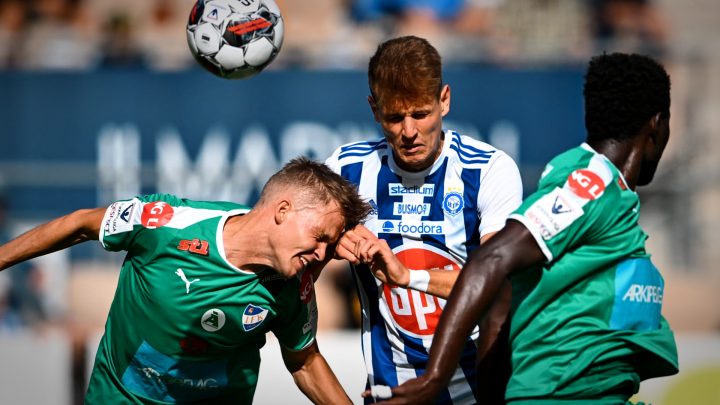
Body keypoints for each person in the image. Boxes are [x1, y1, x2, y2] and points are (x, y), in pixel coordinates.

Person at [369, 52, 679, 404]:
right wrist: (434, 378)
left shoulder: (612, 194)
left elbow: (502, 300)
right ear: (657, 124)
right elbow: (492, 259)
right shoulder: (590, 184)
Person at [0, 157, 371, 404]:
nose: (323, 254)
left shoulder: (294, 285)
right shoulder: (168, 223)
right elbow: (81, 224)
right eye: (320, 237)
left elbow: (304, 361)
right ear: (283, 211)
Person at [325, 35, 523, 404]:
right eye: (394, 117)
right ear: (373, 109)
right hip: (392, 391)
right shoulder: (346, 169)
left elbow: (496, 283)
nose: (409, 131)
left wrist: (407, 276)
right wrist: (330, 240)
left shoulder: (489, 170)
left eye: (420, 113)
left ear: (444, 100)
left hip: (480, 391)